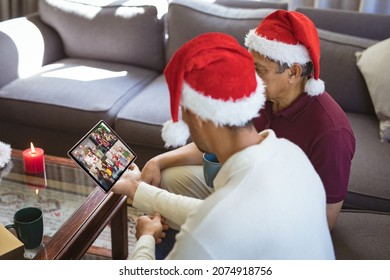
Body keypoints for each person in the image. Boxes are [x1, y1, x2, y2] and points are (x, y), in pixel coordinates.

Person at [112, 32, 335, 260]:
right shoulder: (291, 154)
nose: (184, 120)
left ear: (197, 117)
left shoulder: (207, 236)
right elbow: (215, 215)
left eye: (183, 111)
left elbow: (213, 223)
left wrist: (145, 238)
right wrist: (135, 189)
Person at [141, 10, 355, 238]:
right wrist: (158, 161)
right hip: (240, 185)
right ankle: (164, 236)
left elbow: (326, 220)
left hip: (273, 219)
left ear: (293, 72)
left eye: (259, 69)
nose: (250, 76)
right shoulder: (262, 96)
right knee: (169, 178)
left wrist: (244, 217)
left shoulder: (331, 132)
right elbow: (217, 141)